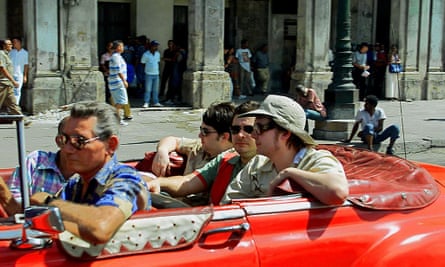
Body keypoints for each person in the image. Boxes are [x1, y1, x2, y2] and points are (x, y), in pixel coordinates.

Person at [30, 101, 149, 244]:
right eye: (65, 140)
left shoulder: (127, 180)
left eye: (79, 141)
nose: (67, 149)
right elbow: (35, 218)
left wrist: (49, 202)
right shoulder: (76, 184)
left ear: (110, 145)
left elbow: (101, 228)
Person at [221, 94, 348, 206]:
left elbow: (337, 192)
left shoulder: (316, 160)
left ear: (285, 134)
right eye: (253, 129)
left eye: (260, 129)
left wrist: (290, 173)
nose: (253, 135)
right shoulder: (257, 163)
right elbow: (228, 205)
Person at [147, 100, 260, 205]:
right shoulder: (226, 159)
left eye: (248, 130)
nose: (240, 135)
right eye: (235, 130)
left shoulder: (268, 166)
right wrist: (156, 182)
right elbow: (188, 182)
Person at [0, 117, 74, 216]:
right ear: (60, 141)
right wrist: (35, 204)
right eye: (78, 141)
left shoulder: (93, 173)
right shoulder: (36, 161)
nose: (84, 149)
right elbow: (13, 201)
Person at [150, 101, 235, 177]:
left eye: (205, 132)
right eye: (200, 130)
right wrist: (162, 151)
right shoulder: (198, 147)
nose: (200, 135)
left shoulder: (234, 163)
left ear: (224, 136)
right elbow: (172, 140)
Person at [0, 39, 30, 125]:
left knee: (13, 103)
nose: (11, 46)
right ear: (4, 46)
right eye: (9, 44)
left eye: (11, 44)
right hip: (2, 83)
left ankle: (22, 119)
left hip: (7, 84)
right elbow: (2, 69)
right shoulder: (1, 54)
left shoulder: (7, 55)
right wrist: (13, 81)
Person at [108, 40, 130, 126]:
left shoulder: (117, 56)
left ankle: (116, 118)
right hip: (118, 82)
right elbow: (118, 70)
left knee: (119, 102)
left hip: (116, 82)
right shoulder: (116, 57)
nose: (123, 48)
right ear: (118, 47)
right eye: (122, 46)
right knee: (121, 101)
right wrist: (124, 80)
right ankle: (114, 118)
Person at [141, 40, 163, 108]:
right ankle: (146, 102)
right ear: (151, 46)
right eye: (155, 46)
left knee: (155, 89)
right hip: (148, 74)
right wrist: (147, 70)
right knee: (148, 89)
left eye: (156, 46)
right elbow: (143, 63)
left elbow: (158, 63)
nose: (156, 47)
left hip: (156, 73)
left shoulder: (157, 54)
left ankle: (156, 102)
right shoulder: (146, 54)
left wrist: (159, 71)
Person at [9, 37, 29, 105]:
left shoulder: (25, 53)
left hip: (19, 74)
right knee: (10, 91)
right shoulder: (11, 52)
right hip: (10, 74)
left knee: (17, 91)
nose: (13, 44)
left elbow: (26, 65)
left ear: (19, 43)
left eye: (15, 42)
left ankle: (16, 106)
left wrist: (25, 75)